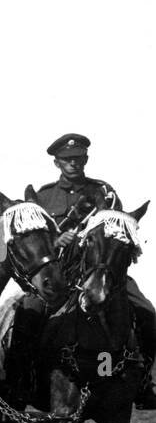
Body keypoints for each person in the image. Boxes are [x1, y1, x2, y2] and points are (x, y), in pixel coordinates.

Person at [9, 133, 156, 407]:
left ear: (86, 159)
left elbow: (116, 234)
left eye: (78, 159)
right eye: (67, 160)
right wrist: (56, 241)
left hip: (101, 270)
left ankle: (145, 382)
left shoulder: (104, 193)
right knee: (27, 314)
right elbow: (36, 239)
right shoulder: (44, 196)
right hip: (59, 272)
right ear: (57, 163)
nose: (73, 164)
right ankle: (20, 382)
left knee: (147, 313)